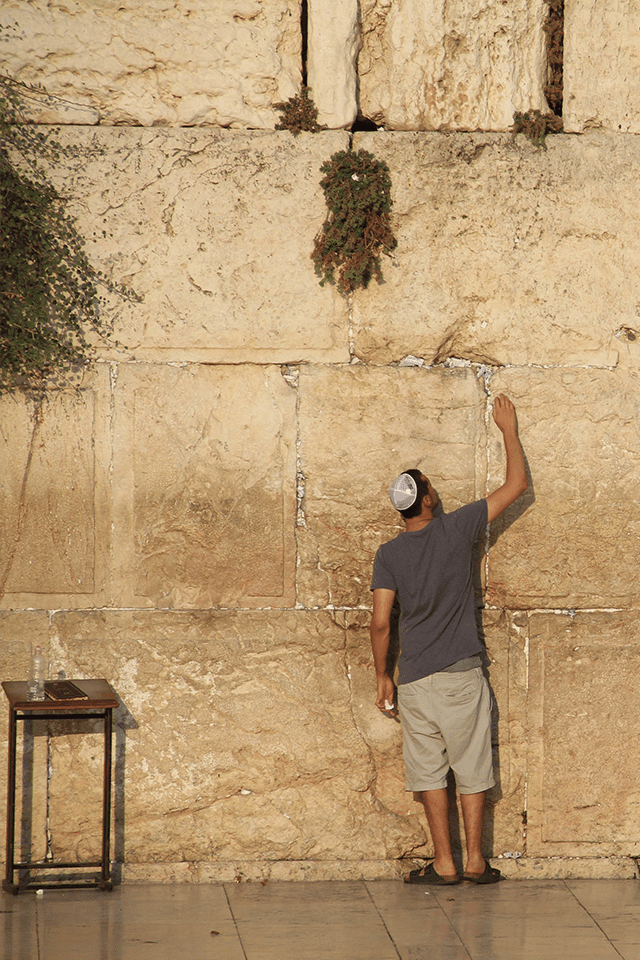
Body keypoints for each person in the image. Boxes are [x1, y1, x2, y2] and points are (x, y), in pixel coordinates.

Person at [370, 393, 527, 886]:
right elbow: (516, 486)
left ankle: (444, 863)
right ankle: (476, 861)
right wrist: (508, 430)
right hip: (462, 674)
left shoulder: (388, 554)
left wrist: (382, 676)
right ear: (429, 499)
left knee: (428, 773)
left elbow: (380, 622)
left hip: (415, 679)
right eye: (433, 486)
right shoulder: (457, 529)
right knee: (473, 767)